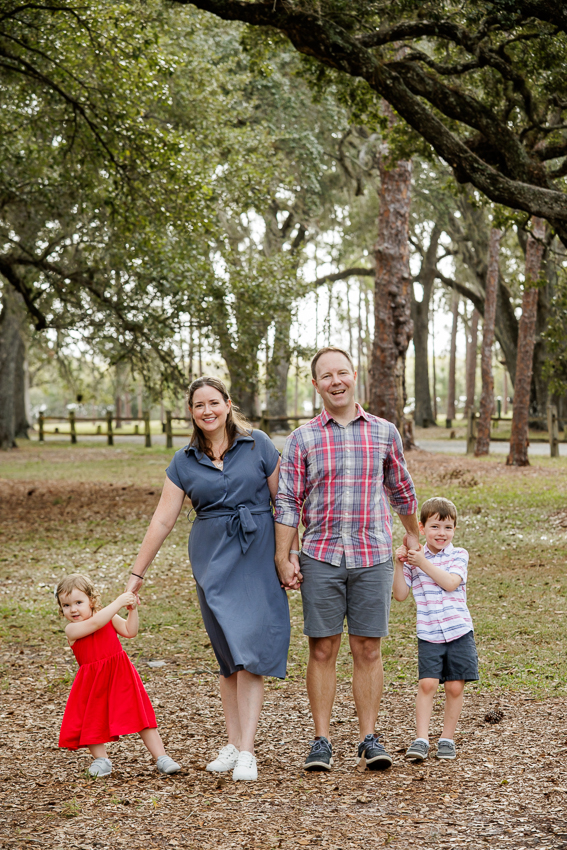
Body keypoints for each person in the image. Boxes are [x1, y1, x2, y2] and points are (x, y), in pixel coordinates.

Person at [125, 376, 293, 782]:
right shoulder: (184, 460)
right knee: (228, 656)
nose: (207, 411)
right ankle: (234, 744)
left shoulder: (259, 444)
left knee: (250, 650)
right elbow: (163, 518)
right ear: (191, 411)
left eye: (213, 402)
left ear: (228, 404)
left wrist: (286, 555)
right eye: (199, 405)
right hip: (211, 560)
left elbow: (284, 501)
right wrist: (137, 573)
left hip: (256, 553)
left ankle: (249, 751)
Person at [274, 346, 419, 772]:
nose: (336, 381)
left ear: (354, 375)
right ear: (316, 384)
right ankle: (322, 741)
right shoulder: (302, 438)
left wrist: (412, 533)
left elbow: (402, 489)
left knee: (368, 648)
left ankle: (368, 738)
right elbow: (287, 502)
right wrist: (284, 556)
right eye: (326, 376)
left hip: (372, 553)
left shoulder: (383, 432)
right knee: (322, 648)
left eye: (342, 373)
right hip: (320, 556)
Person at [57, 574, 180, 777]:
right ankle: (101, 760)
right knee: (93, 720)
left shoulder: (108, 616)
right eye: (66, 605)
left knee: (141, 715)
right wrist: (119, 601)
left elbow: (130, 631)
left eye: (79, 602)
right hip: (92, 681)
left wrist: (132, 611)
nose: (73, 609)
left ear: (92, 601)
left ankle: (162, 757)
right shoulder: (72, 629)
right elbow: (95, 624)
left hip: (119, 674)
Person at [393, 497, 479, 761]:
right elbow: (400, 595)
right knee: (427, 683)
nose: (442, 533)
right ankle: (421, 739)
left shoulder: (458, 555)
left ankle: (447, 739)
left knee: (454, 687)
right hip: (429, 632)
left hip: (459, 631)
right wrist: (399, 563)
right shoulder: (413, 560)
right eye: (435, 527)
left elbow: (451, 583)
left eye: (448, 527)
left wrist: (423, 563)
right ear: (421, 527)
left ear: (454, 530)